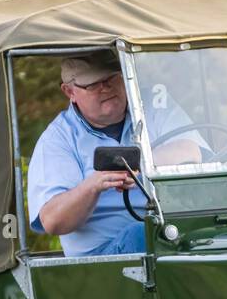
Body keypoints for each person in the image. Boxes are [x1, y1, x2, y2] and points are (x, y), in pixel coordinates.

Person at [27, 51, 202, 256]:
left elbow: (192, 150)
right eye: (93, 83)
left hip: (171, 232)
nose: (106, 87)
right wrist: (93, 186)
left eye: (112, 77)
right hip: (101, 259)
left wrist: (138, 166)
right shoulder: (58, 139)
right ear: (69, 92)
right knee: (144, 234)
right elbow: (53, 221)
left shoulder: (151, 102)